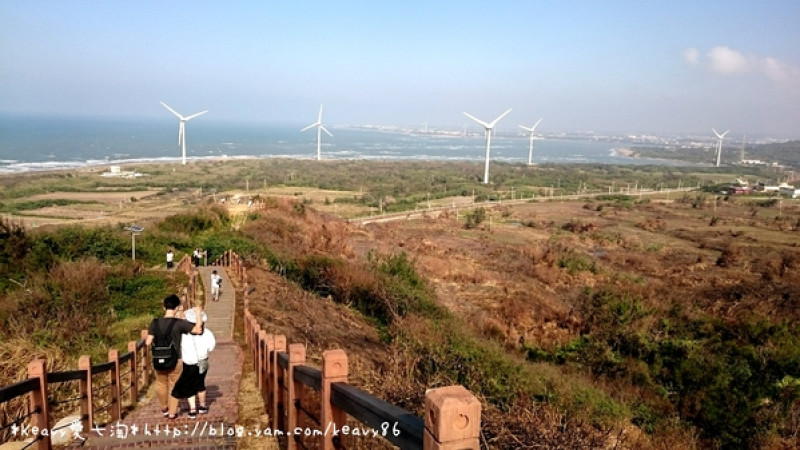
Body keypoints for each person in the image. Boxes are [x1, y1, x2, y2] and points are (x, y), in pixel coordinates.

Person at [145, 295, 205, 419]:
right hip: (175, 359)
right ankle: (172, 412)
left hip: (158, 359)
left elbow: (148, 342)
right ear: (177, 307)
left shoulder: (155, 323)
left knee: (161, 384)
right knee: (174, 385)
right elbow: (198, 330)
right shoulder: (179, 323)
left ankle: (164, 408)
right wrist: (198, 313)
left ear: (164, 307)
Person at [172, 308, 216, 418]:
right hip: (203, 361)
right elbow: (211, 347)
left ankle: (192, 409)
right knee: (200, 383)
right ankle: (202, 406)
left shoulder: (184, 334)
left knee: (189, 384)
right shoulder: (207, 333)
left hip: (189, 362)